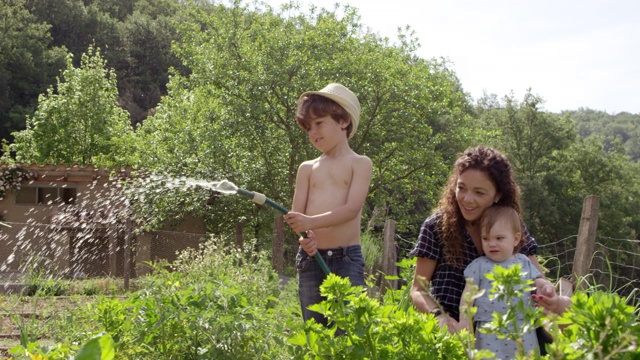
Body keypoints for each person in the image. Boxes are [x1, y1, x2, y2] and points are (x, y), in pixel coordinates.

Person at [409, 146, 570, 330]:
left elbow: (538, 281)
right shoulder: (436, 226)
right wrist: (440, 317)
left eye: (479, 192)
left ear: (497, 195)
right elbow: (418, 290)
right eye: (461, 188)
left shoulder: (511, 226)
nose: (467, 199)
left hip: (508, 334)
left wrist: (549, 297)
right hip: (456, 331)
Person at [284, 83, 373, 327]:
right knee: (316, 332)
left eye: (319, 123)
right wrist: (305, 236)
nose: (313, 132)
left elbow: (351, 209)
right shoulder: (307, 168)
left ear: (343, 120)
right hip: (311, 259)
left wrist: (310, 222)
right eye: (308, 128)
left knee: (350, 331)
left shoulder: (360, 163)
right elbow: (297, 218)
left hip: (347, 260)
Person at [457, 205, 557, 358]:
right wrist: (464, 321)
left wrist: (545, 287)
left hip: (522, 328)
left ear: (515, 239)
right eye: (486, 238)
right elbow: (468, 296)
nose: (492, 243)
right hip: (489, 330)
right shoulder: (478, 265)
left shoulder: (523, 262)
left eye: (499, 238)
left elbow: (537, 282)